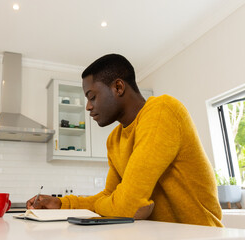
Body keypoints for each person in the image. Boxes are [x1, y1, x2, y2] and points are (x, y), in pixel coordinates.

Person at [26, 54, 223, 227]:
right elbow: (111, 197)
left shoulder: (162, 111)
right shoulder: (114, 139)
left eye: (92, 97)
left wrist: (115, 203)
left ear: (118, 87)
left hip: (200, 234)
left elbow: (127, 205)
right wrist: (62, 204)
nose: (87, 107)